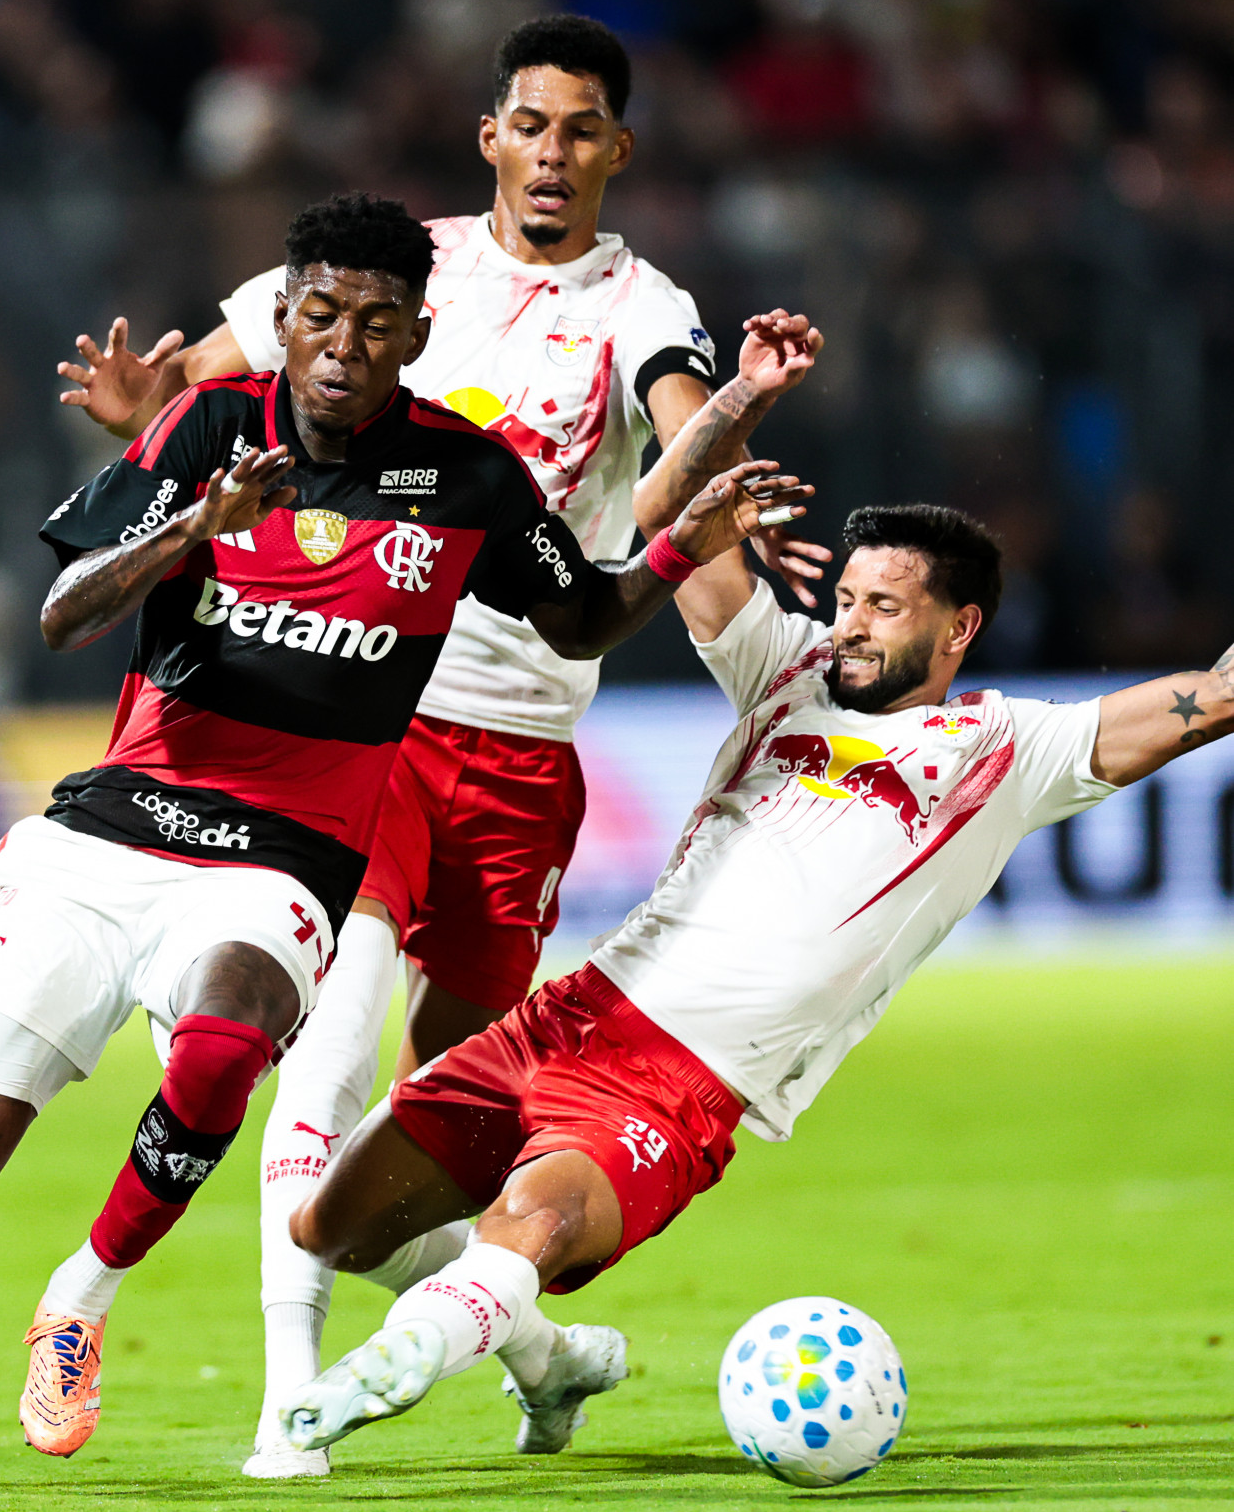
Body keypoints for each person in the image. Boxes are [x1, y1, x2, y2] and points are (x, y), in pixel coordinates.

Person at [0, 193, 803, 1496]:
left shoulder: (463, 473)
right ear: (286, 316)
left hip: (284, 857)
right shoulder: (207, 426)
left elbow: (580, 619)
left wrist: (671, 547)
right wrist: (193, 525)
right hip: (108, 838)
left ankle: (82, 1297)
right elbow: (59, 616)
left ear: (414, 333)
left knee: (222, 1052)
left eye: (376, 323)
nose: (342, 345)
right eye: (320, 315)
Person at [56, 13, 826, 1474]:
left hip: (522, 750)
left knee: (437, 1127)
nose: (550, 153)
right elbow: (212, 388)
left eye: (579, 129)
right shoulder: (393, 272)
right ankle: (283, 1407)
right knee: (324, 1063)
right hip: (366, 719)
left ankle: (540, 1354)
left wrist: (726, 414)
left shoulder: (640, 304)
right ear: (489, 137)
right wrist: (141, 424)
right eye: (526, 125)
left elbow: (658, 486)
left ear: (616, 149)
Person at [270, 476, 1234, 1459]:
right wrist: (745, 402)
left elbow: (1213, 696)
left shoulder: (1005, 748)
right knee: (331, 1229)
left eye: (884, 608)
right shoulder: (788, 669)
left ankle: (392, 1364)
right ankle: (551, 1360)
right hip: (568, 1017)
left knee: (538, 1217)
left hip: (675, 1086)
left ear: (958, 627)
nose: (850, 627)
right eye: (846, 599)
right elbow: (676, 523)